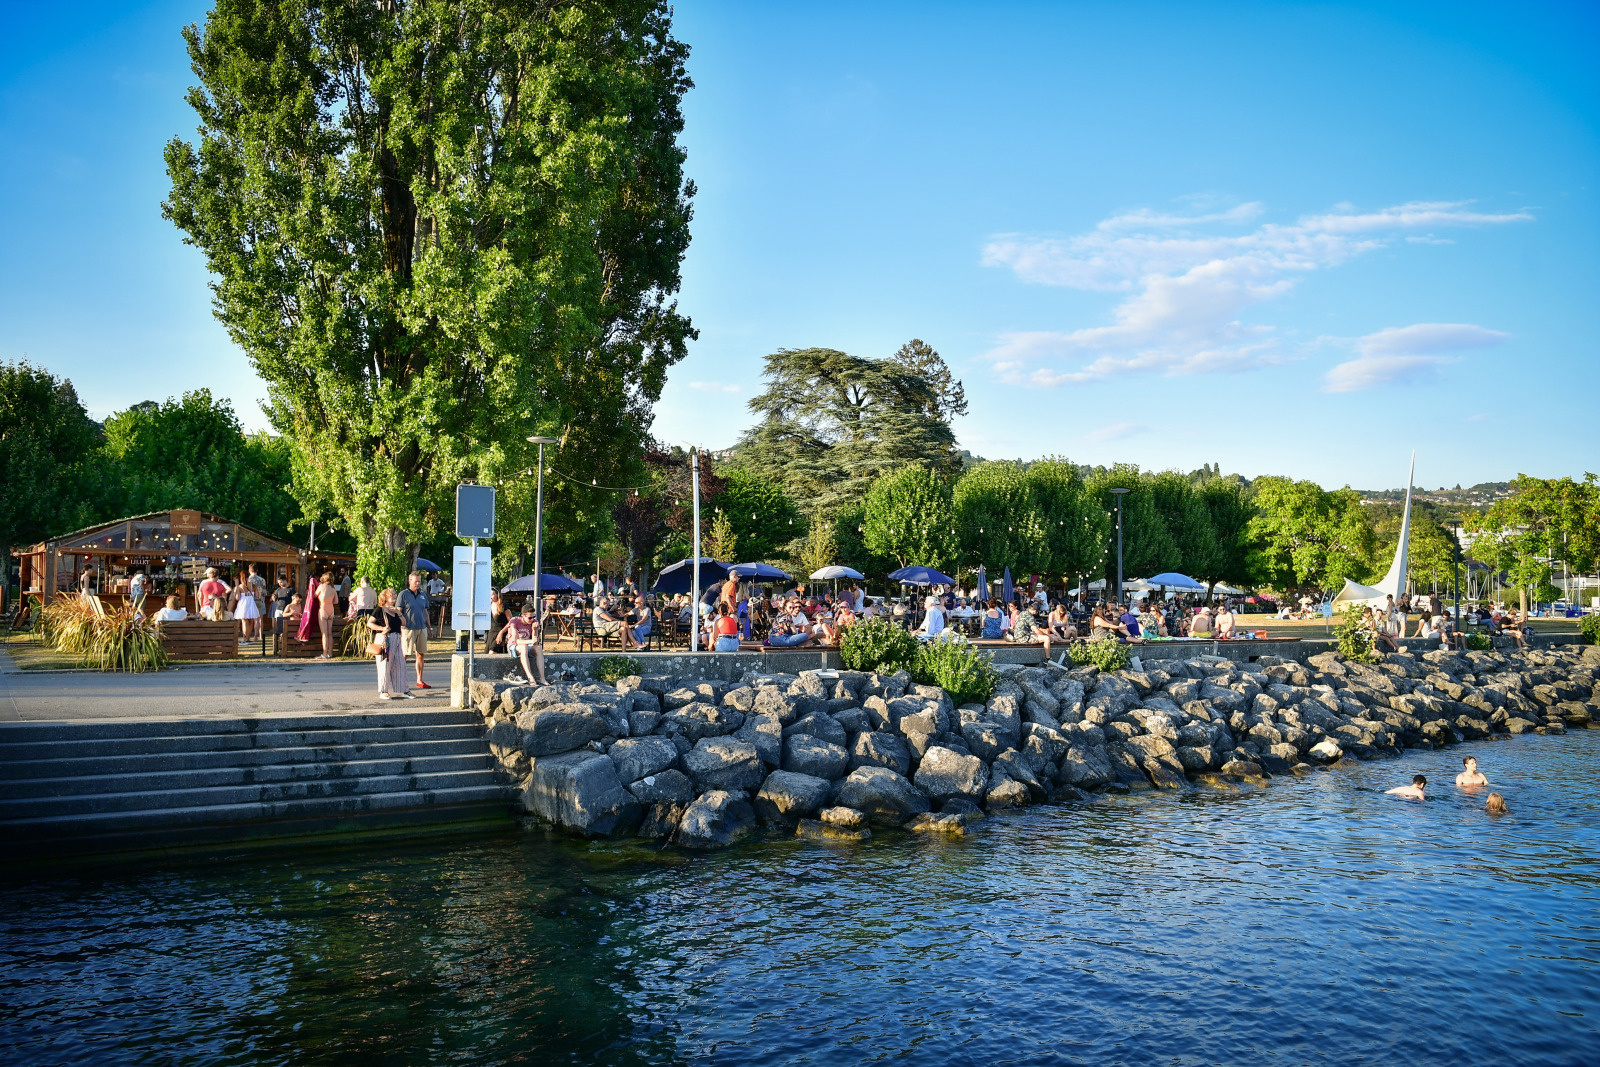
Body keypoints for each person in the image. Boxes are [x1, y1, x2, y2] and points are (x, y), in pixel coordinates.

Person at [368, 588, 411, 699]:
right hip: (385, 639)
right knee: (384, 665)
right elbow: (370, 623)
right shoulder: (380, 610)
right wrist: (382, 628)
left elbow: (404, 623)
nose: (395, 598)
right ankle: (383, 691)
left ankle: (404, 690)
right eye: (392, 596)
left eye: (395, 596)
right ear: (386, 598)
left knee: (401, 664)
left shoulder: (395, 611)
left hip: (396, 639)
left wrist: (398, 612)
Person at [496, 602, 549, 685]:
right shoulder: (514, 621)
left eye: (533, 617)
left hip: (528, 646)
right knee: (523, 647)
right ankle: (530, 677)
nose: (532, 619)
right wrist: (530, 641)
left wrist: (534, 630)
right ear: (523, 616)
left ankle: (542, 678)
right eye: (530, 617)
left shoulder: (534, 622)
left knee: (538, 648)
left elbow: (535, 642)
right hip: (514, 647)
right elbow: (516, 641)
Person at [395, 571, 433, 686]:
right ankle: (399, 678)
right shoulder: (403, 594)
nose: (418, 584)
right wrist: (398, 628)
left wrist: (429, 628)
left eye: (419, 582)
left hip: (422, 628)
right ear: (410, 581)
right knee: (405, 654)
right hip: (408, 628)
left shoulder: (422, 595)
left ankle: (419, 680)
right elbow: (398, 612)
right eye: (416, 581)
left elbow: (425, 612)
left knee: (421, 654)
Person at [315, 572, 338, 658]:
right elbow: (336, 601)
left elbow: (314, 595)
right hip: (331, 610)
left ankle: (324, 653)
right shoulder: (333, 588)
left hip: (323, 609)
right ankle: (330, 653)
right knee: (330, 633)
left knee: (324, 634)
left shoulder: (321, 587)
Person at [234, 572, 262, 641]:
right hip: (251, 604)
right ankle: (248, 638)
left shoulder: (240, 587)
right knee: (251, 621)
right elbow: (257, 595)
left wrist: (236, 587)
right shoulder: (253, 585)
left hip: (243, 604)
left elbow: (237, 597)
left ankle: (245, 638)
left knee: (244, 621)